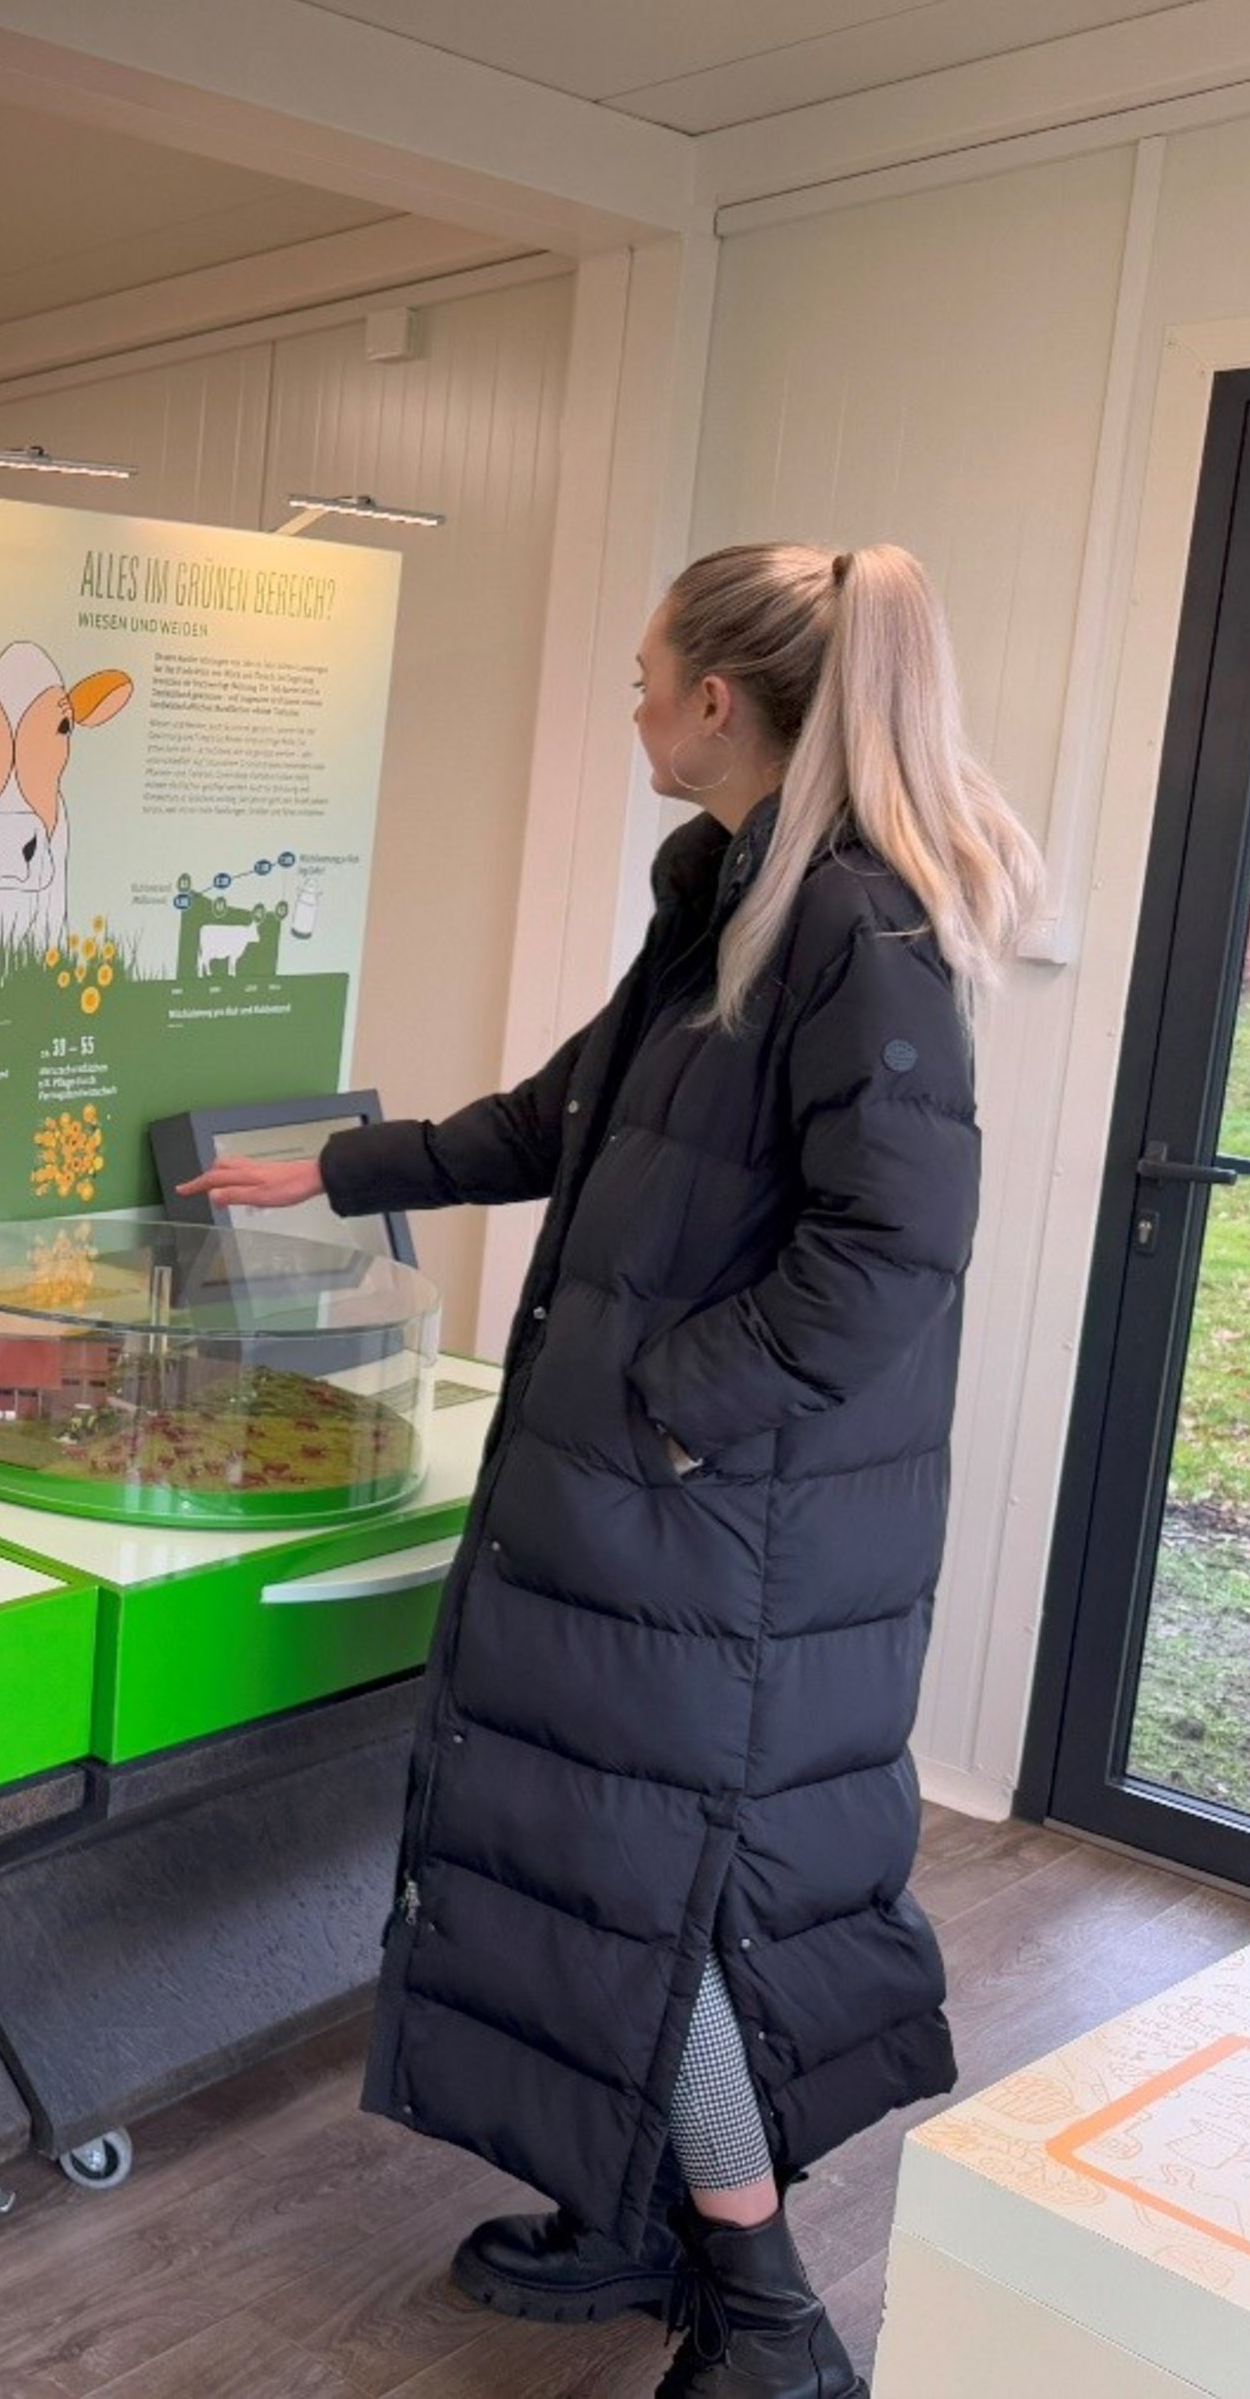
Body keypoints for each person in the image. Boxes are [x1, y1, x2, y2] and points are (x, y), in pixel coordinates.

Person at [184, 543, 1039, 2399]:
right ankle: (641, 2214)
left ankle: (768, 2318)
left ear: (718, 705)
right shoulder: (734, 897)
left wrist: (666, 1409)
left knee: (671, 1896)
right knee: (602, 1865)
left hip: (722, 1532)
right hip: (686, 1513)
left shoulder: (853, 931)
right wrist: (332, 1171)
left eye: (645, 674)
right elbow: (562, 1116)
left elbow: (892, 1256)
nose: (632, 703)